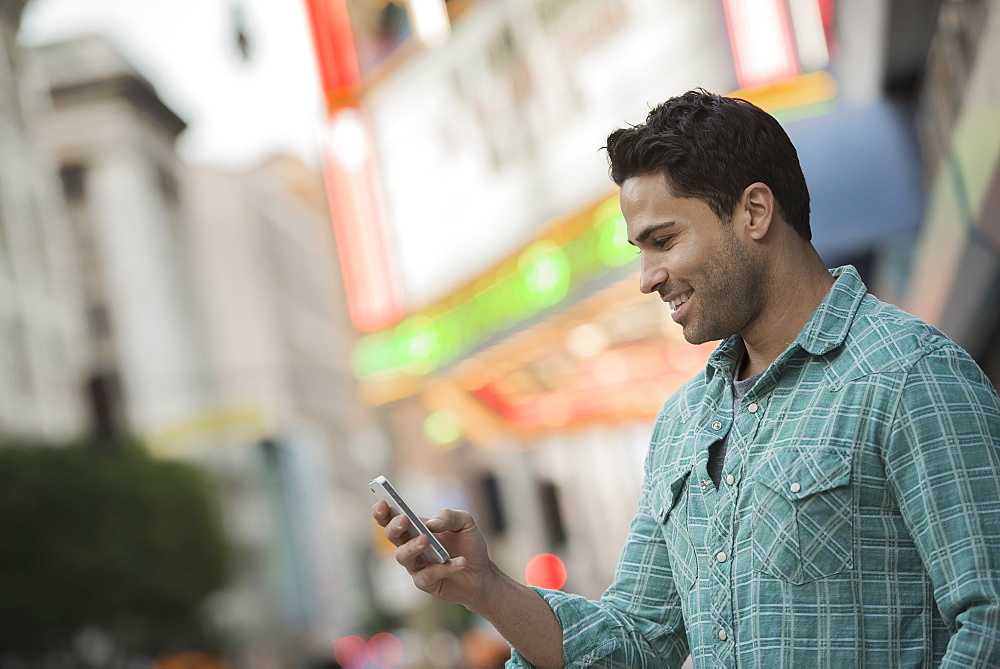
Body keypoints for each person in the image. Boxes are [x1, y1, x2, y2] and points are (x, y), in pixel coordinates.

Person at [372, 89, 1000, 667]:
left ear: (753, 211)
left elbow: (989, 622)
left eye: (664, 240)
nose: (647, 277)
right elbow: (636, 638)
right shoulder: (684, 422)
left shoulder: (908, 374)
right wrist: (487, 589)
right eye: (640, 251)